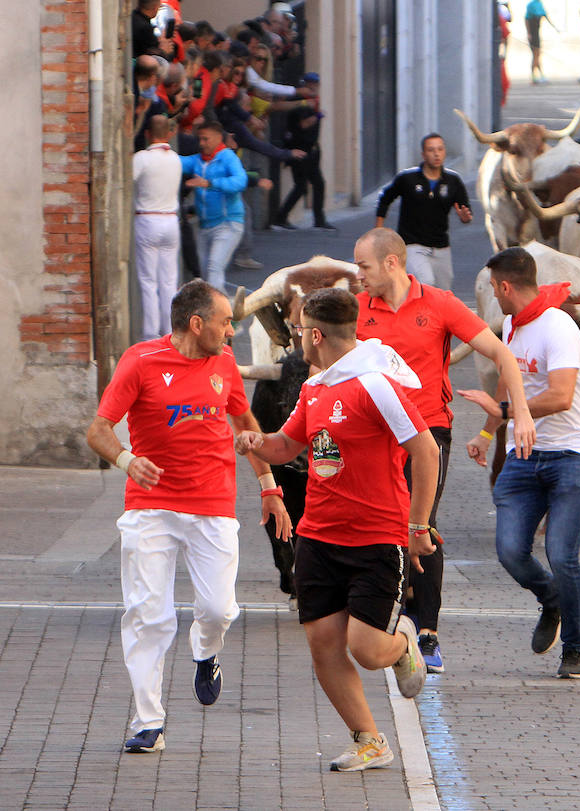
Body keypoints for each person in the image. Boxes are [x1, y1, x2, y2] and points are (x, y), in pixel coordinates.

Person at [234, 287, 438, 773]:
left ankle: (404, 644)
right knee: (324, 644)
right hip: (319, 538)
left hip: (375, 538)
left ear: (316, 334)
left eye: (301, 331)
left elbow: (426, 451)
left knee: (367, 650)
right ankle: (369, 739)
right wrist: (255, 441)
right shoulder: (314, 388)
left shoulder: (374, 385)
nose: (298, 338)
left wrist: (418, 525)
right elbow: (287, 445)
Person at [86, 280, 290, 754]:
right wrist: (126, 460)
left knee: (219, 608)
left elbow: (245, 425)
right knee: (146, 615)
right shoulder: (140, 362)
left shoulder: (223, 365)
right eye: (225, 323)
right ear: (196, 324)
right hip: (149, 507)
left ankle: (207, 651)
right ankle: (147, 721)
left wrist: (269, 488)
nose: (231, 332)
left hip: (212, 505)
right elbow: (98, 430)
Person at [353, 229, 534, 673]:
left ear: (392, 263)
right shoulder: (356, 311)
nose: (358, 276)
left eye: (364, 267)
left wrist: (522, 413)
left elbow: (502, 355)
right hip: (374, 434)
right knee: (380, 523)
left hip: (428, 433)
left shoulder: (438, 303)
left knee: (421, 523)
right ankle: (386, 616)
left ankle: (427, 632)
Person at [459, 247, 580, 679]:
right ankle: (551, 599)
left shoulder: (558, 326)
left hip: (575, 453)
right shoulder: (510, 324)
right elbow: (507, 385)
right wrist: (487, 433)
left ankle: (575, 649)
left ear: (505, 287)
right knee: (509, 551)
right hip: (526, 456)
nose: (493, 298)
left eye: (492, 289)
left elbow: (561, 395)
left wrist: (506, 415)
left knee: (562, 555)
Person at [375, 134, 474, 291]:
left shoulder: (453, 181)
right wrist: (379, 230)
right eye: (431, 150)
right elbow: (384, 198)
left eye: (440, 149)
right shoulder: (407, 179)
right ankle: (419, 315)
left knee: (444, 293)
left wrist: (465, 218)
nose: (436, 154)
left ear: (444, 152)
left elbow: (466, 210)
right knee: (426, 282)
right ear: (423, 154)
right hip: (412, 246)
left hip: (441, 247)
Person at [181, 121, 248, 293]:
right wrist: (159, 151)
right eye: (200, 139)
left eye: (206, 139)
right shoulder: (197, 160)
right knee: (207, 276)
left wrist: (209, 183)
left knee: (213, 269)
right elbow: (177, 162)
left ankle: (220, 316)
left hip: (228, 224)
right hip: (205, 227)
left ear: (219, 138)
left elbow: (240, 181)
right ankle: (226, 315)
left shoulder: (228, 158)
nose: (201, 143)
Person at [133, 115, 183, 341]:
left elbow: (126, 179)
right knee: (169, 281)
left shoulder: (142, 158)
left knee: (148, 281)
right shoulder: (175, 159)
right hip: (170, 220)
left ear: (147, 134)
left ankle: (150, 335)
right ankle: (170, 332)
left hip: (147, 220)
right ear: (170, 133)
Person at [274, 72, 333, 230]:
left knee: (318, 184)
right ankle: (281, 217)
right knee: (301, 186)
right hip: (299, 150)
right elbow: (303, 125)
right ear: (304, 84)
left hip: (311, 150)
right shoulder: (300, 102)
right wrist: (319, 115)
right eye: (310, 84)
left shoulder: (313, 101)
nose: (313, 86)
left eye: (315, 84)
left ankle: (319, 219)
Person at [526, 0, 555, 85]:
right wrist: (528, 33)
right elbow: (527, 19)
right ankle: (534, 77)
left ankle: (540, 75)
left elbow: (545, 16)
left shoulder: (538, 4)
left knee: (537, 55)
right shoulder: (532, 5)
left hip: (535, 34)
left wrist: (555, 27)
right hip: (533, 34)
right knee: (536, 55)